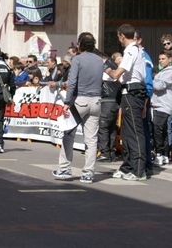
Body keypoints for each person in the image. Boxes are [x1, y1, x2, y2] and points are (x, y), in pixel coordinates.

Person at [52, 32, 103, 184]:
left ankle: (65, 168)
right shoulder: (99, 60)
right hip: (96, 101)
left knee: (68, 134)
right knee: (91, 139)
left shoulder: (78, 59)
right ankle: (88, 173)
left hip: (80, 100)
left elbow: (72, 82)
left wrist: (67, 102)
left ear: (79, 44)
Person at [105, 24, 148, 181]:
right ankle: (127, 167)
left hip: (133, 92)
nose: (119, 39)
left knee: (135, 133)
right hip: (129, 91)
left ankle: (138, 170)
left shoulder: (131, 50)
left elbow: (117, 74)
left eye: (118, 36)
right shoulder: (134, 50)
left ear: (122, 35)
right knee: (128, 133)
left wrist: (107, 69)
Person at [135, 30, 154, 175]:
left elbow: (147, 83)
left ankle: (146, 164)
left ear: (139, 40)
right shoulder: (136, 56)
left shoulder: (144, 58)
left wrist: (145, 102)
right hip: (138, 98)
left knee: (142, 132)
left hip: (143, 99)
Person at [152, 50, 172, 167]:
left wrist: (149, 83)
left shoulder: (169, 72)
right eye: (159, 59)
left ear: (170, 59)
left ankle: (159, 154)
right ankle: (164, 155)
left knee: (158, 130)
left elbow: (159, 86)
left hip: (164, 105)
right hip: (158, 104)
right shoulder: (162, 72)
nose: (160, 61)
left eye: (163, 59)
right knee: (162, 131)